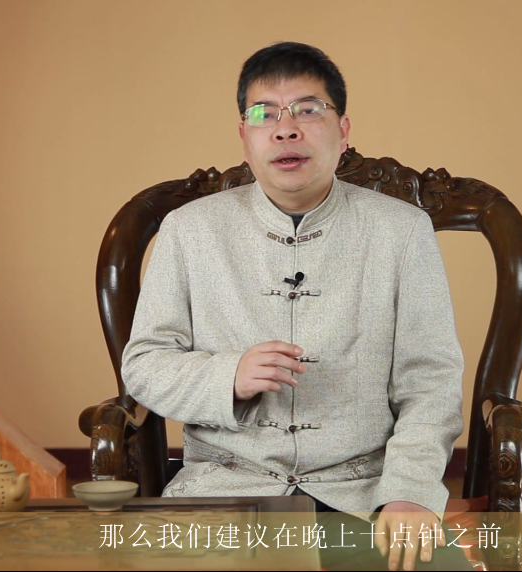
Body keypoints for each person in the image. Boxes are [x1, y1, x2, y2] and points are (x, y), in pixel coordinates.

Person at [122, 41, 470, 571]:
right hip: (228, 488)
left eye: (308, 110)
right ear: (244, 137)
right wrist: (228, 376)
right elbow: (144, 364)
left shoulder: (402, 231)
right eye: (264, 114)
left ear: (343, 131)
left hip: (362, 492)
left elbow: (431, 380)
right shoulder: (189, 231)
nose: (285, 129)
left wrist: (410, 492)